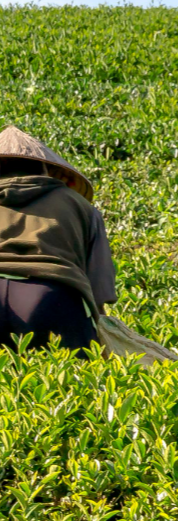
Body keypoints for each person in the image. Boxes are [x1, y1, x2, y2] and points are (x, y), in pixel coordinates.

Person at [0, 126, 116, 352]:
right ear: (46, 168)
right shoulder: (80, 206)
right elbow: (100, 283)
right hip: (52, 296)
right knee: (69, 380)